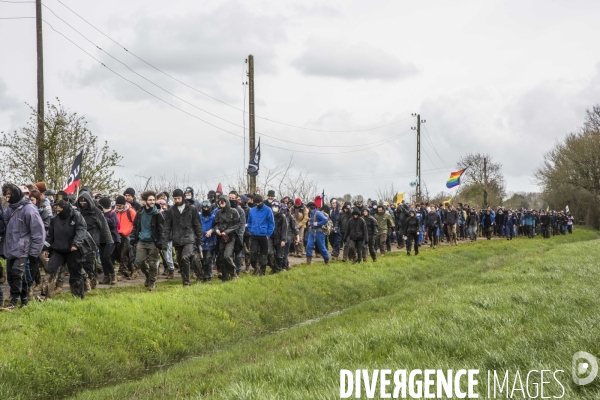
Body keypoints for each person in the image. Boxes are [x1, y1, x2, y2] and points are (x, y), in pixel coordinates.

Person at [0, 184, 45, 310]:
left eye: (9, 195)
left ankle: (14, 301)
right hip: (11, 248)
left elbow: (38, 232)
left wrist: (34, 252)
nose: (7, 198)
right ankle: (24, 300)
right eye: (6, 196)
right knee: (17, 275)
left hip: (23, 248)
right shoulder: (9, 209)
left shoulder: (29, 210)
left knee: (16, 273)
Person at [45, 198, 88, 299]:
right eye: (56, 211)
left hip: (73, 249)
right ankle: (45, 295)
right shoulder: (54, 219)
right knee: (50, 271)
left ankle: (77, 296)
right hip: (57, 249)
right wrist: (46, 248)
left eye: (60, 210)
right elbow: (50, 235)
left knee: (75, 274)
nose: (58, 212)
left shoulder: (76, 216)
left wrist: (76, 244)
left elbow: (81, 230)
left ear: (65, 208)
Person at [162, 189, 203, 286]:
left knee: (185, 257)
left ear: (183, 197)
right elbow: (166, 227)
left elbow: (197, 225)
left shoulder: (192, 209)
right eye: (175, 198)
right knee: (181, 261)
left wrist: (199, 240)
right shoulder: (171, 211)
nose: (176, 200)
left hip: (189, 238)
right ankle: (193, 276)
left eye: (178, 198)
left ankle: (186, 283)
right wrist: (164, 242)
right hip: (177, 239)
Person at [77, 191, 113, 291]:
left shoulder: (96, 212)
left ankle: (91, 282)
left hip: (92, 241)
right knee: (79, 262)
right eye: (81, 203)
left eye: (85, 203)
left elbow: (104, 227)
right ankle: (84, 281)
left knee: (90, 262)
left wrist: (109, 240)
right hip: (79, 240)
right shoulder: (77, 212)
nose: (83, 205)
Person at [130, 191, 165, 291]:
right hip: (141, 240)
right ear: (145, 201)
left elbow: (162, 230)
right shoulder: (140, 213)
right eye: (150, 200)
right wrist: (133, 238)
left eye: (154, 200)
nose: (152, 201)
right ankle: (148, 276)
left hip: (153, 242)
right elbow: (135, 226)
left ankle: (152, 282)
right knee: (139, 261)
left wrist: (161, 244)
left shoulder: (158, 214)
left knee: (153, 263)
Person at [214, 195, 241, 281]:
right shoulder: (218, 212)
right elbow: (216, 223)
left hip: (231, 237)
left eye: (223, 201)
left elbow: (237, 224)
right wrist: (217, 229)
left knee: (227, 256)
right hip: (221, 238)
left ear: (227, 202)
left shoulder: (234, 211)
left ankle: (233, 273)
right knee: (221, 258)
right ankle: (225, 277)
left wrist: (227, 231)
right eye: (219, 201)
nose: (221, 203)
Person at [246, 194, 275, 276]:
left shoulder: (268, 210)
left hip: (264, 235)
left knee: (263, 254)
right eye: (256, 203)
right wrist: (251, 230)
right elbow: (249, 222)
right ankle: (256, 267)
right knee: (253, 253)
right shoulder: (252, 210)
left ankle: (262, 271)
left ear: (262, 201)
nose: (258, 204)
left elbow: (271, 223)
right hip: (254, 235)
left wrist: (268, 234)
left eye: (259, 203)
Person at [114, 195, 138, 280]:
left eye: (120, 205)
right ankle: (133, 270)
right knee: (121, 255)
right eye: (117, 205)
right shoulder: (114, 212)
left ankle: (120, 273)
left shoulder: (131, 211)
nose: (119, 206)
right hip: (118, 236)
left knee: (124, 254)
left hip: (128, 235)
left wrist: (133, 234)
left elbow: (136, 223)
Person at [98, 197, 120, 285]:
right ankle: (106, 276)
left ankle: (113, 275)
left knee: (107, 256)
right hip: (102, 239)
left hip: (112, 239)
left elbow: (113, 223)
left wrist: (103, 218)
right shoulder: (100, 214)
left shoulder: (112, 213)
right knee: (103, 258)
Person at [228, 191, 246, 277]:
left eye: (233, 198)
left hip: (238, 234)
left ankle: (238, 271)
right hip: (229, 235)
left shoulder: (240, 210)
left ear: (236, 199)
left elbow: (242, 224)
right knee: (229, 254)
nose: (231, 200)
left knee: (238, 255)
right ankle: (232, 271)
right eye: (230, 198)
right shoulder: (226, 209)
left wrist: (241, 234)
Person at [199, 200, 216, 282]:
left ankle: (208, 276)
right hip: (200, 241)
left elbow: (216, 227)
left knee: (208, 260)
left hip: (210, 241)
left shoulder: (213, 217)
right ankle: (203, 275)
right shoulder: (199, 217)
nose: (205, 209)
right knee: (201, 260)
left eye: (207, 207)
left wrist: (212, 231)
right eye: (204, 207)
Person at [268, 201, 288, 273]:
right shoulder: (270, 216)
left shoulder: (282, 217)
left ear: (279, 208)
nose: (274, 208)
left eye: (276, 207)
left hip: (279, 238)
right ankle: (274, 267)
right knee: (269, 252)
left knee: (279, 255)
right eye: (273, 207)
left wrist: (283, 239)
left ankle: (278, 269)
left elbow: (284, 229)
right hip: (270, 237)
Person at [281, 203, 298, 270]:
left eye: (284, 209)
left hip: (288, 236)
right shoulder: (278, 216)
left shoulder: (290, 217)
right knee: (281, 252)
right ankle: (287, 264)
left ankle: (284, 267)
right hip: (280, 236)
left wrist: (297, 237)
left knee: (284, 253)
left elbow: (294, 227)